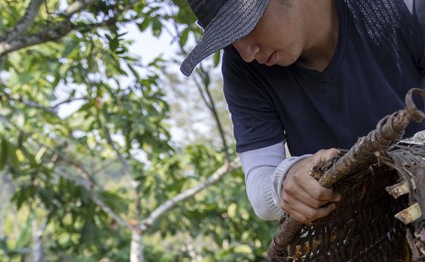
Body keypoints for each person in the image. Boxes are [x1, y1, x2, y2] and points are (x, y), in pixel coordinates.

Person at [179, 0, 425, 224]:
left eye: (245, 24)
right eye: (229, 36)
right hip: (366, 237)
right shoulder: (243, 69)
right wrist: (286, 178)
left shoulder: (401, 8)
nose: (246, 52)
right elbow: (260, 187)